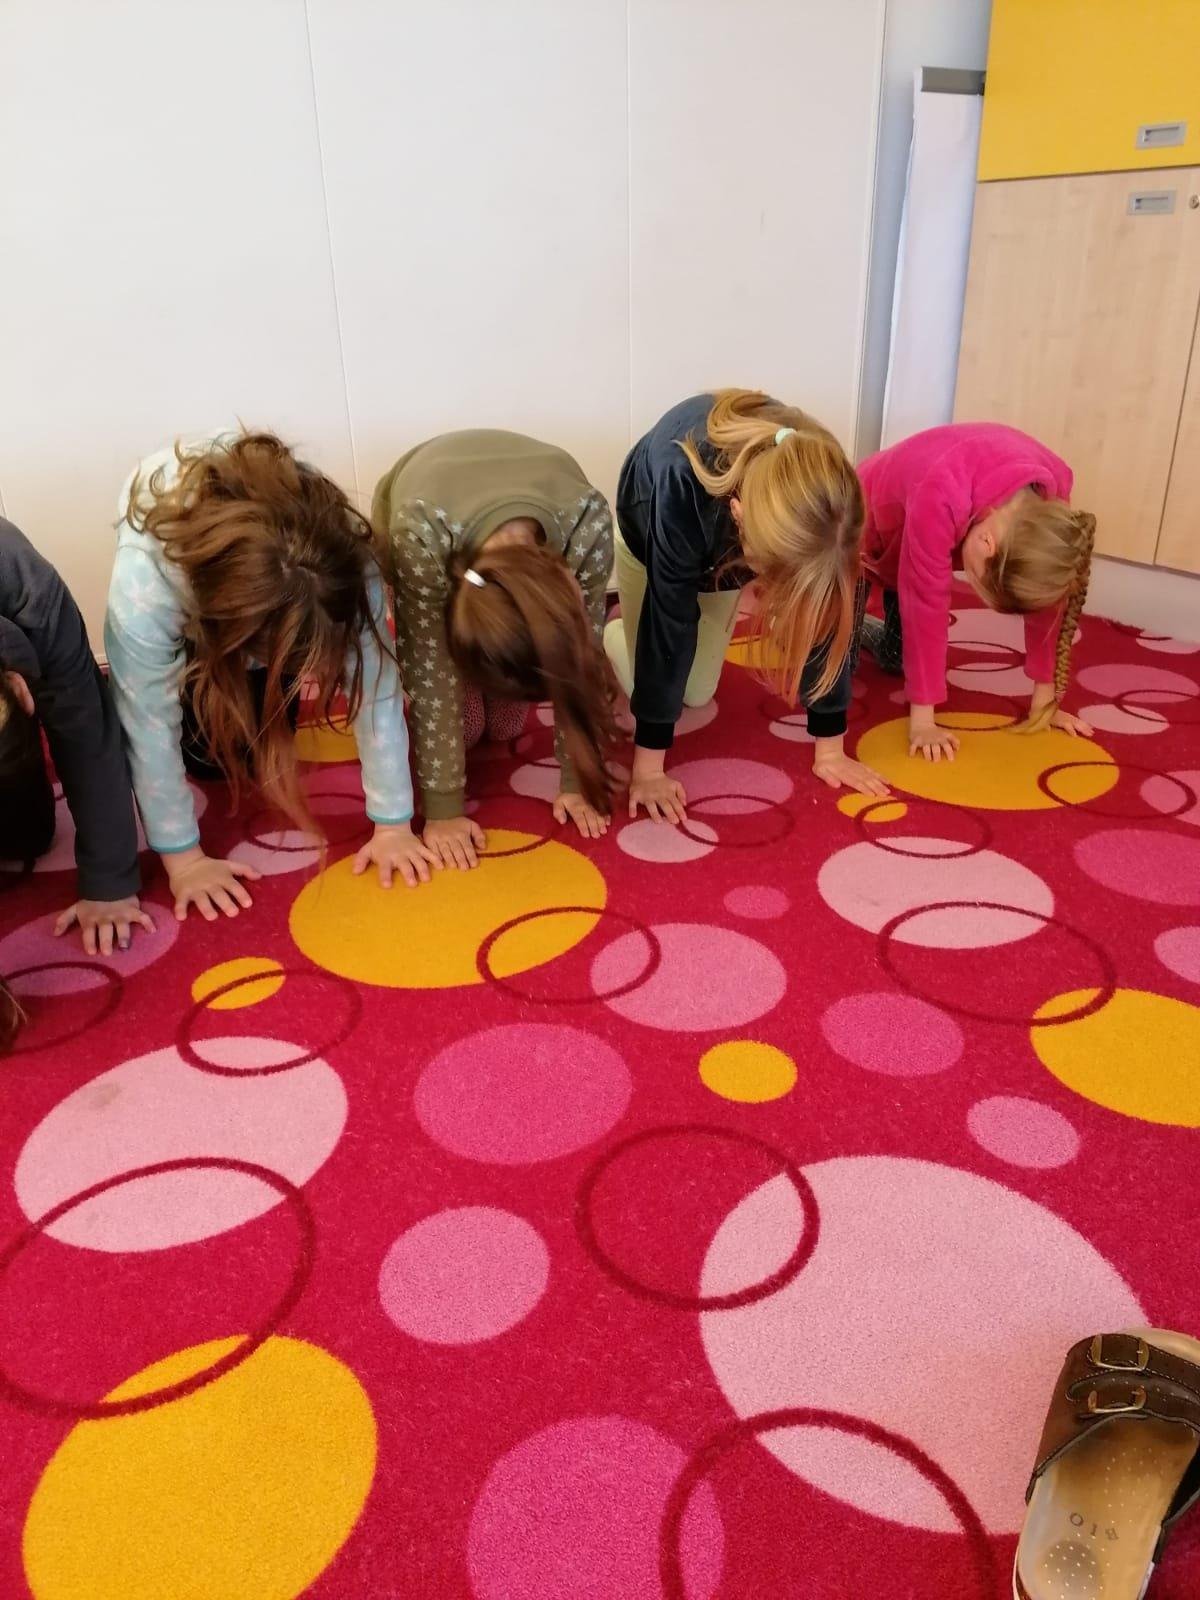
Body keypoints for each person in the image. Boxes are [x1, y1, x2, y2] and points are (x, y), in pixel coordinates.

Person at [105, 431, 432, 920]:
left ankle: (277, 661)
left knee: (261, 744)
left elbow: (378, 689)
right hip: (198, 601)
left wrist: (393, 825)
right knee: (210, 761)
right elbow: (146, 721)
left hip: (270, 590)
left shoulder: (345, 554)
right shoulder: (146, 584)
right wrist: (184, 860)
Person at [604, 389, 887, 824]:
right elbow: (669, 623)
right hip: (647, 539)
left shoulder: (826, 491)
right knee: (669, 677)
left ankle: (729, 586)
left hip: (723, 549)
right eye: (772, 575)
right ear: (738, 515)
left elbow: (825, 611)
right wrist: (649, 770)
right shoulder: (680, 482)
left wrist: (830, 747)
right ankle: (614, 633)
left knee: (697, 692)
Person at [374, 429, 617, 869]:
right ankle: (477, 668)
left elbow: (586, 656)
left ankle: (489, 671)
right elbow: (430, 677)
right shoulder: (419, 533)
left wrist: (577, 780)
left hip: (500, 512)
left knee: (504, 726)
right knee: (465, 729)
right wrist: (443, 809)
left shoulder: (588, 522)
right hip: (418, 512)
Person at [856, 422, 1096, 759]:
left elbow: (1049, 607)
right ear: (986, 542)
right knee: (834, 661)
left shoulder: (1051, 501)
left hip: (911, 550)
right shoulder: (941, 495)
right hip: (857, 533)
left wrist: (1045, 703)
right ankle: (831, 621)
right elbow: (925, 604)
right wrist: (923, 723)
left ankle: (867, 629)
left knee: (897, 660)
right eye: (974, 577)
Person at [1, 517, 147, 954]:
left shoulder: (31, 593)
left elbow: (86, 732)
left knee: (24, 837)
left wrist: (109, 880)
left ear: (20, 690)